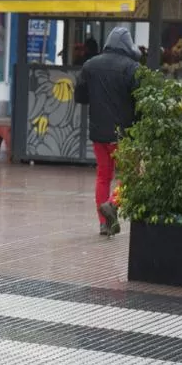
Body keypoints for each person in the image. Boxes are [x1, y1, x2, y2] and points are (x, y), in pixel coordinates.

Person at [74, 26, 139, 237]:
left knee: (103, 176)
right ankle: (112, 204)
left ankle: (104, 224)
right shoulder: (132, 68)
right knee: (131, 176)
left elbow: (80, 97)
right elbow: (139, 101)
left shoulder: (90, 65)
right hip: (122, 134)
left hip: (98, 133)